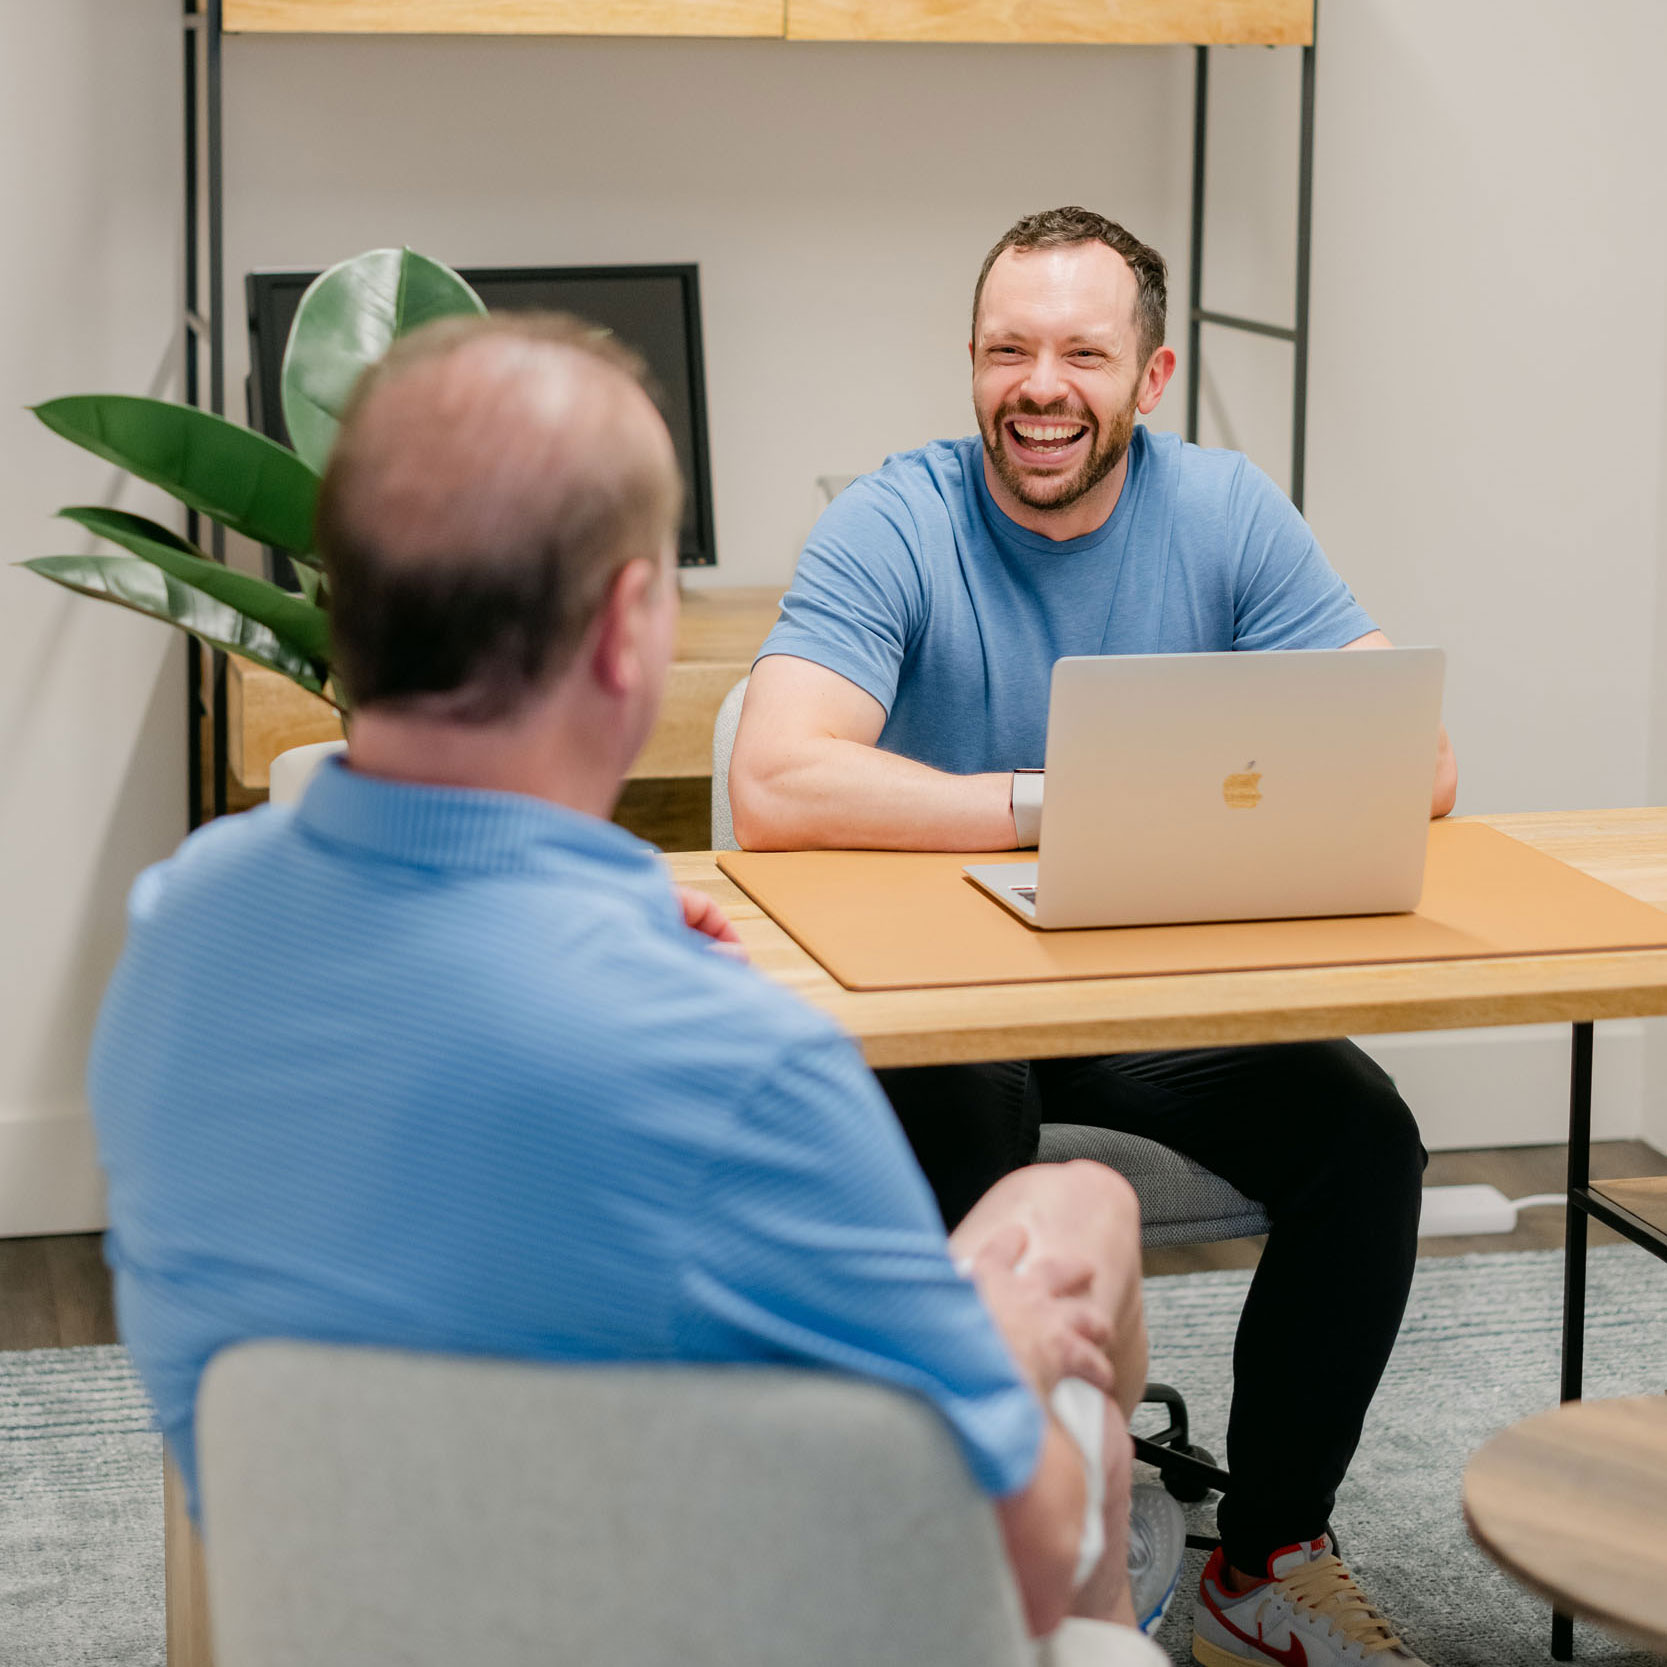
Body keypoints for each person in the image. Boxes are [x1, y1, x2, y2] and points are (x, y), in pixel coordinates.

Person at [88, 313, 1179, 1653]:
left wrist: (588, 914)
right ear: (624, 632)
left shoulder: (176, 943)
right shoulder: (740, 1068)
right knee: (1071, 1227)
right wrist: (1006, 1349)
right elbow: (995, 1558)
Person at [729, 207, 1453, 1667]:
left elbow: (1416, 761)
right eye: (1007, 350)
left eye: (1080, 352)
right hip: (931, 997)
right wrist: (1054, 804)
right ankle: (997, 1564)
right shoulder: (898, 518)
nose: (1039, 384)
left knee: (1365, 1141)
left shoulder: (1226, 510)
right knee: (979, 1126)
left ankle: (1266, 1565)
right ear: (974, 366)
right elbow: (776, 776)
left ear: (1153, 375)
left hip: (1136, 988)